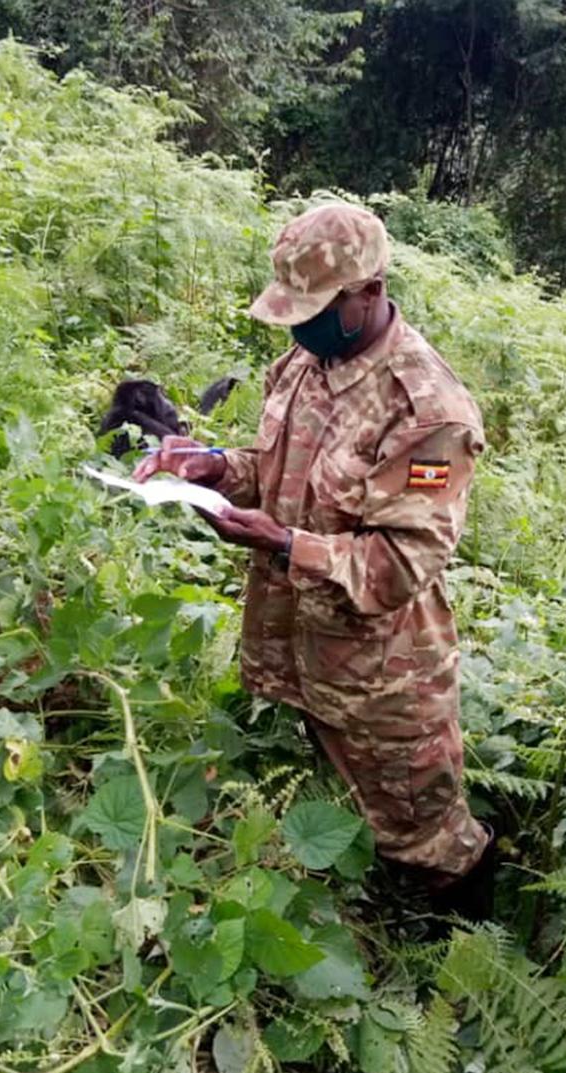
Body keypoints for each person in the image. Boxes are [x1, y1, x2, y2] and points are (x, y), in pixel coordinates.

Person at [138, 202, 494, 904]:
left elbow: (403, 563)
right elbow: (279, 468)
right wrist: (216, 466)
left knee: (422, 835)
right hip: (302, 647)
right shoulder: (306, 361)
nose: (298, 326)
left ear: (369, 292)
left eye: (313, 309)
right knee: (342, 808)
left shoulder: (427, 412)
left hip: (383, 678)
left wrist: (285, 545)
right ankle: (368, 922)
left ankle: (453, 955)